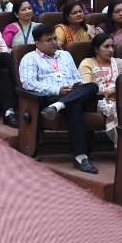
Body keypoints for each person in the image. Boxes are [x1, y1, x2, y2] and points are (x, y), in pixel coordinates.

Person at [19, 30, 101, 172]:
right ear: (37, 43)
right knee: (75, 107)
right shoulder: (30, 58)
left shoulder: (65, 55)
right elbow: (28, 83)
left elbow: (77, 77)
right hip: (49, 96)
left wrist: (78, 86)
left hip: (71, 94)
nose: (54, 42)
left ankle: (58, 106)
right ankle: (81, 156)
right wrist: (57, 90)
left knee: (92, 86)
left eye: (55, 39)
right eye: (48, 40)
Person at [77, 32, 122, 144]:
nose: (111, 50)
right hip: (100, 99)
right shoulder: (87, 63)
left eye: (112, 46)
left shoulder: (120, 63)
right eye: (106, 46)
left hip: (121, 97)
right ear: (96, 49)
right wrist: (106, 91)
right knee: (118, 110)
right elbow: (86, 87)